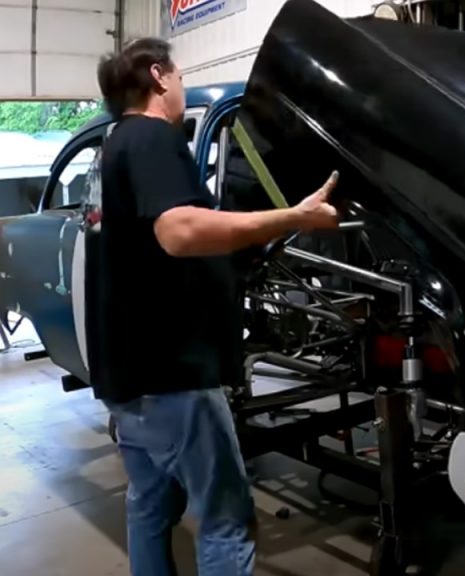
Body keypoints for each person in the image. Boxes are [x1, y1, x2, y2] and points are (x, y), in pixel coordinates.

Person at [91, 38, 339, 576]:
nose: (180, 84)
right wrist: (292, 217)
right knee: (226, 520)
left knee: (150, 505)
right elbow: (180, 231)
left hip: (129, 379)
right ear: (159, 76)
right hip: (173, 378)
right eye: (178, 75)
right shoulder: (154, 138)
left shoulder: (117, 144)